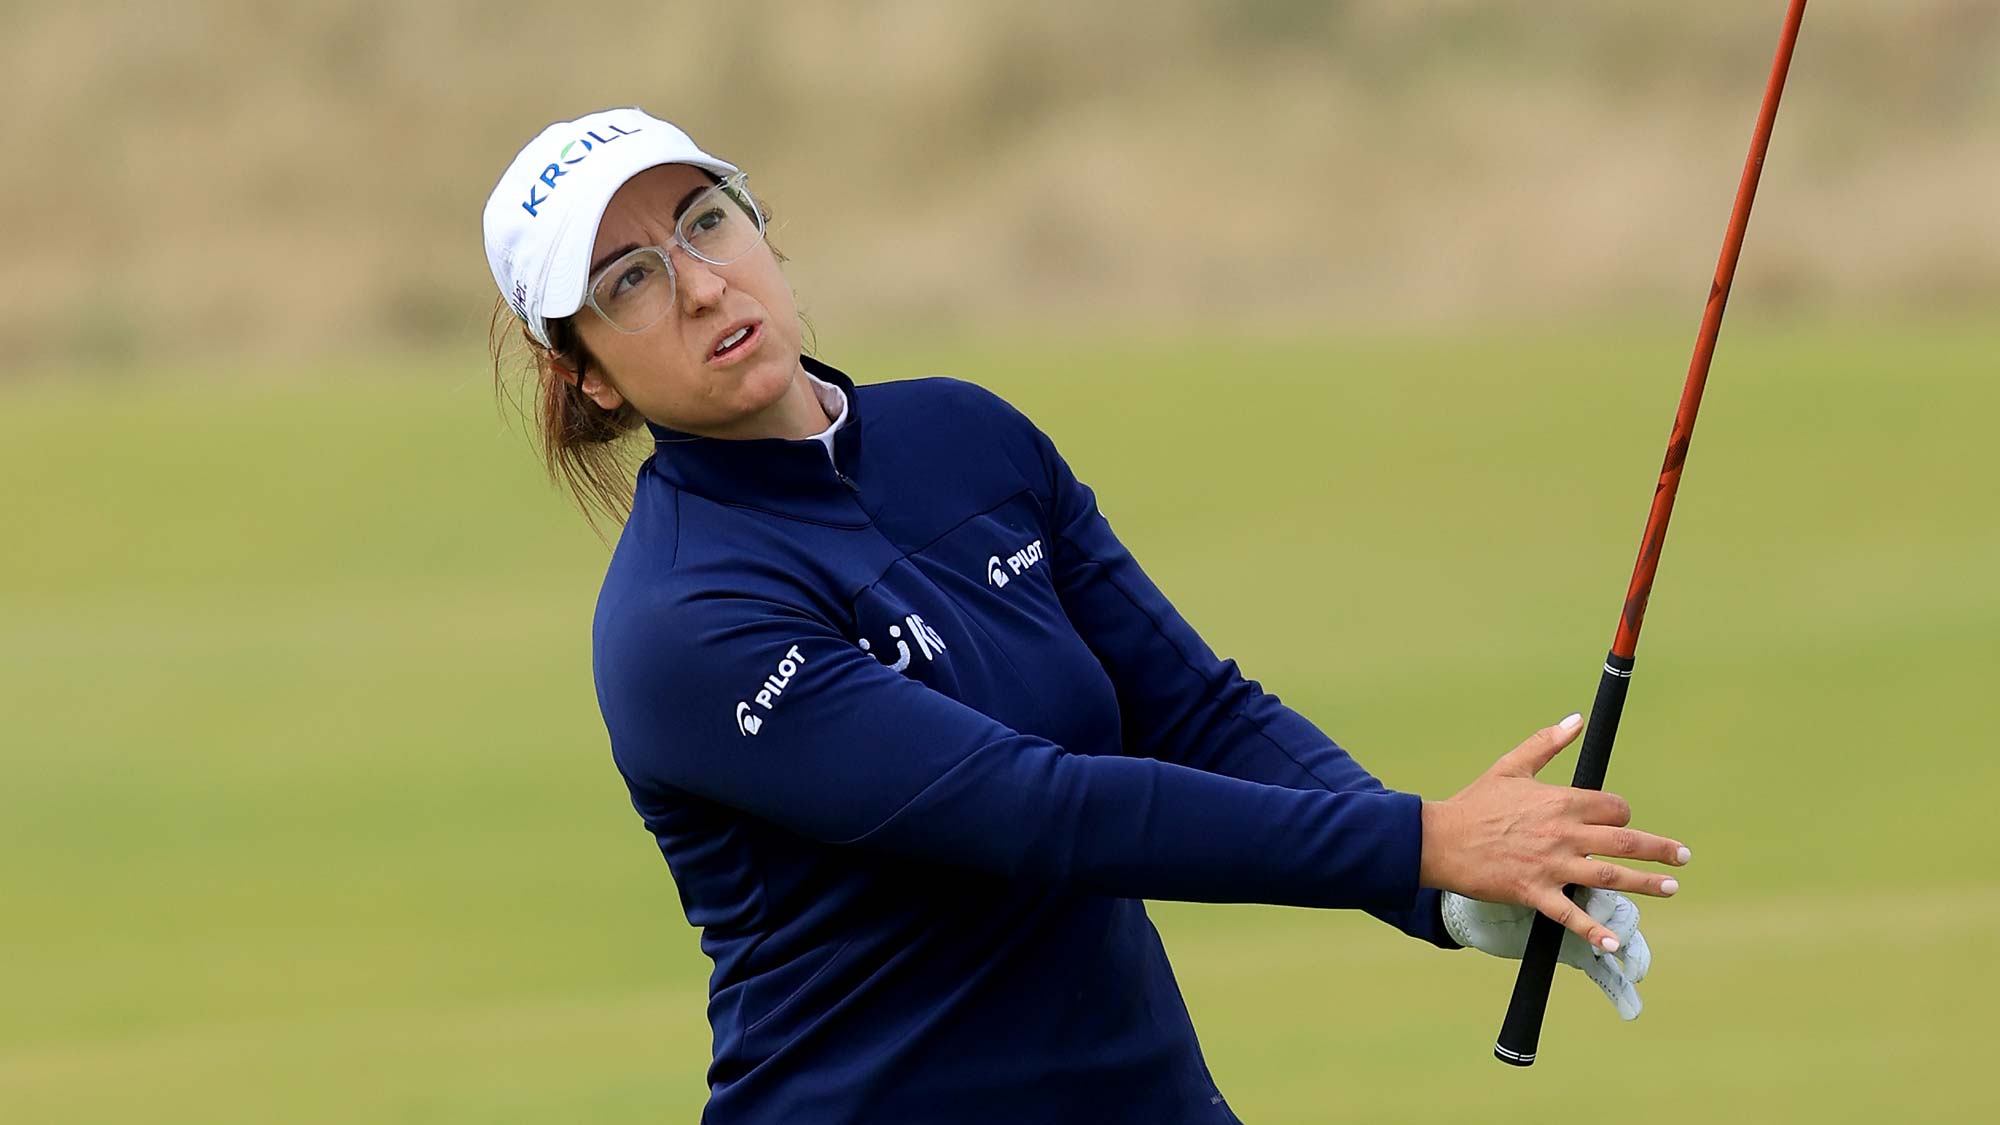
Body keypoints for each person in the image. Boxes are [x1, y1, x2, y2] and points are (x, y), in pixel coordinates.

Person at [480, 107, 1691, 1124]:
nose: (697, 285)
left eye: (703, 221)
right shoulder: (682, 621)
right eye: (625, 282)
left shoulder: (967, 438)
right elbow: (1034, 809)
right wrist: (1422, 839)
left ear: (759, 229)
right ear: (585, 373)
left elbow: (1192, 708)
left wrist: (1434, 893)